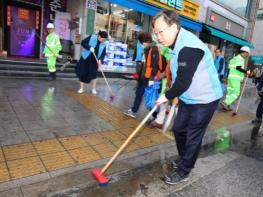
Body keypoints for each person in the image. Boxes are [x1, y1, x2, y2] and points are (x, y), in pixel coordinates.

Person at [153, 10, 223, 185]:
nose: (158, 37)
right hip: (189, 96)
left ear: (175, 26)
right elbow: (179, 74)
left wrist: (166, 96)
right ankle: (185, 158)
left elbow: (184, 81)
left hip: (205, 98)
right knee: (178, 129)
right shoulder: (174, 45)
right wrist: (171, 88)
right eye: (156, 33)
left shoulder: (189, 47)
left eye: (161, 31)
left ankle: (185, 169)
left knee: (193, 135)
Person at [124, 32, 163, 118]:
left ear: (145, 42)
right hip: (143, 77)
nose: (141, 45)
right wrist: (138, 74)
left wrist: (152, 79)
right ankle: (134, 110)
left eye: (142, 43)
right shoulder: (146, 49)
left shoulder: (154, 50)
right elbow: (144, 64)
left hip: (150, 78)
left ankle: (154, 115)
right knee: (139, 93)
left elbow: (154, 66)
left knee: (150, 96)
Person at [220, 46, 251, 111]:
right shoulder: (240, 59)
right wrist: (246, 72)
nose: (247, 55)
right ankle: (225, 102)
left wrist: (227, 78)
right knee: (236, 92)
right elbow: (238, 68)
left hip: (230, 78)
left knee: (230, 92)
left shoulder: (233, 59)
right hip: (235, 79)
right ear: (245, 52)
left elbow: (229, 69)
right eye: (247, 54)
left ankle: (227, 106)